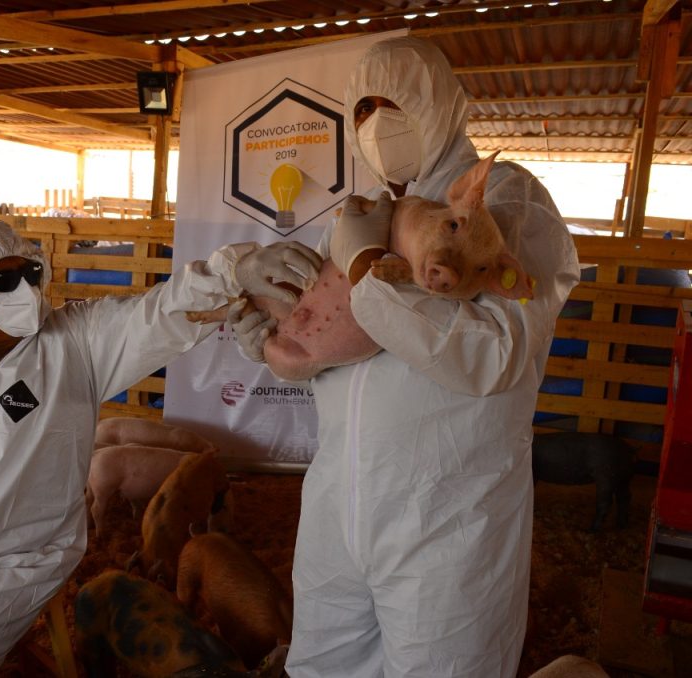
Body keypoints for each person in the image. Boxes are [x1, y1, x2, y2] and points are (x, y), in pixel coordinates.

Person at [227, 36, 581, 677]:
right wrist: (282, 344)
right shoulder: (362, 211)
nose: (376, 124)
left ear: (440, 103)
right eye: (362, 109)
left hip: (447, 521)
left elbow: (494, 353)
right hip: (338, 503)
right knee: (321, 666)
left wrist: (370, 274)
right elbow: (346, 355)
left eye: (394, 104)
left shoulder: (506, 201)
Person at [0, 215, 272, 677]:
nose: (24, 290)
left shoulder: (74, 346)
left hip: (16, 562)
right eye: (2, 280)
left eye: (30, 273)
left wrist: (232, 273)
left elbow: (159, 315)